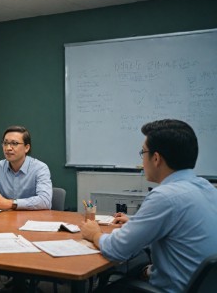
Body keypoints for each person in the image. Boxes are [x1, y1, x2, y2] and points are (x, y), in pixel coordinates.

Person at [80, 119, 217, 293]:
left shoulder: (165, 197)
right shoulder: (207, 187)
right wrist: (136, 221)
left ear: (156, 158)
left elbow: (117, 250)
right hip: (203, 286)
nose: (142, 159)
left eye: (142, 152)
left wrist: (95, 234)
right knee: (137, 268)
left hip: (173, 289)